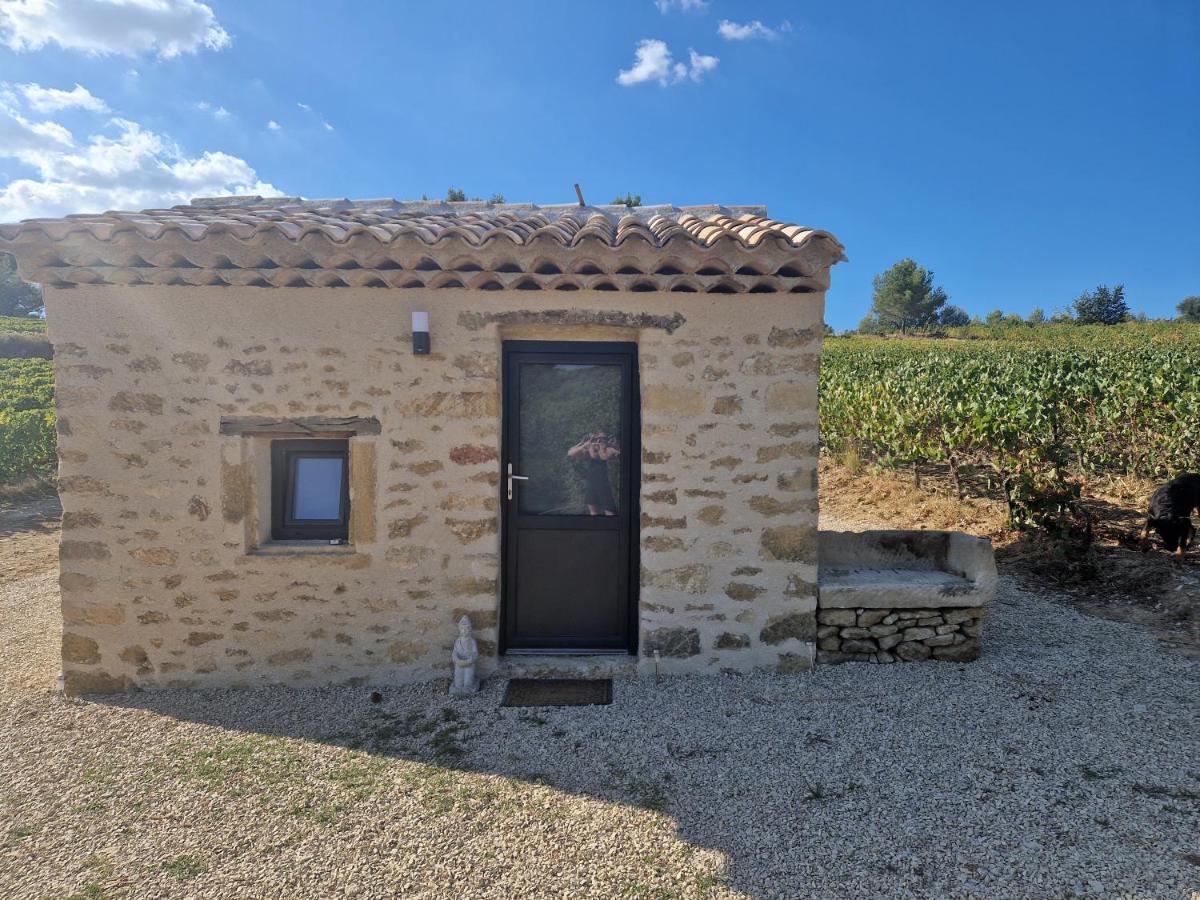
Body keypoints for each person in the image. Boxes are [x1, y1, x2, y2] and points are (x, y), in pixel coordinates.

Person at [567, 431, 620, 516]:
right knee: (593, 511)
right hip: (591, 483)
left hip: (605, 483)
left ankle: (612, 527)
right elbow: (570, 453)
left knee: (609, 510)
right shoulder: (590, 449)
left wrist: (608, 446)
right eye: (597, 438)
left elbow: (603, 457)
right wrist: (583, 443)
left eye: (602, 438)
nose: (599, 441)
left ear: (606, 439)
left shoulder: (609, 449)